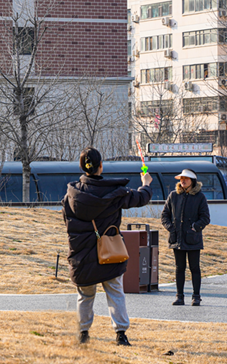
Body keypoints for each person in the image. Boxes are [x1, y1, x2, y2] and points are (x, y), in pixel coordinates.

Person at [62, 147, 153, 346]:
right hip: (109, 253)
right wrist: (146, 184)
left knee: (85, 296)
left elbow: (67, 222)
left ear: (82, 167)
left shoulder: (71, 194)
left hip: (82, 255)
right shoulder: (114, 191)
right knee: (115, 293)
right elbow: (140, 199)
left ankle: (83, 333)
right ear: (100, 166)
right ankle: (121, 334)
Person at [161, 169, 210, 306]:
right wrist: (171, 228)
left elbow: (205, 218)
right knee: (179, 268)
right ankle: (179, 296)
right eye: (181, 178)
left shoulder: (200, 197)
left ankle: (196, 296)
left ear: (192, 181)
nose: (183, 181)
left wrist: (194, 227)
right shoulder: (173, 195)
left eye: (186, 179)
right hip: (177, 238)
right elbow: (164, 215)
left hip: (193, 239)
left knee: (194, 268)